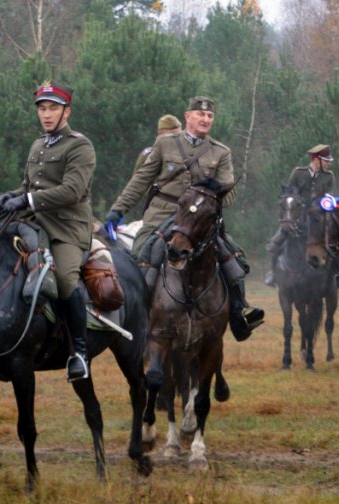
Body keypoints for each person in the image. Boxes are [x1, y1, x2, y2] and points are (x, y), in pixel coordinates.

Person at [102, 96, 264, 341]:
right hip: (162, 215)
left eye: (210, 116)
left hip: (199, 222)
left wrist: (210, 194)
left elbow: (229, 198)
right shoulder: (165, 144)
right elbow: (141, 180)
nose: (206, 119)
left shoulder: (221, 152)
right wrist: (117, 210)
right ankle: (136, 317)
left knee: (233, 257)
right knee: (142, 255)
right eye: (200, 114)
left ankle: (240, 313)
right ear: (188, 116)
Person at [0, 82, 96, 382]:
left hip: (67, 229)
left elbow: (72, 191)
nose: (46, 114)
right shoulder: (39, 145)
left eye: (53, 108)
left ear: (67, 111)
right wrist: (10, 196)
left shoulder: (80, 145)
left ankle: (79, 352)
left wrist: (25, 200)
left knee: (65, 280)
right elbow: (29, 187)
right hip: (35, 224)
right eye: (42, 108)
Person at [264, 144, 339, 288]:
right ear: (316, 160)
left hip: (318, 215)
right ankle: (273, 273)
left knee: (331, 237)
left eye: (329, 161)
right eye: (326, 160)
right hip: (298, 213)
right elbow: (289, 192)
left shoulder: (329, 176)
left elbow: (330, 195)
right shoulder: (298, 173)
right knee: (281, 235)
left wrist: (325, 204)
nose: (329, 163)